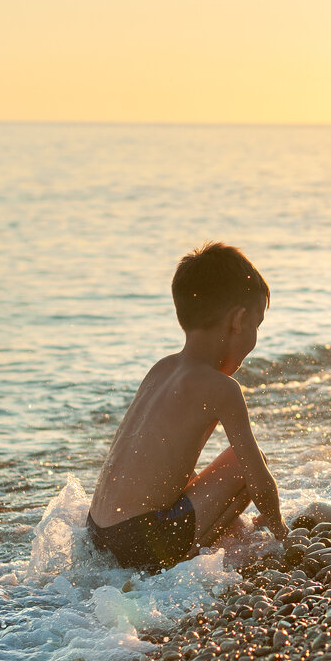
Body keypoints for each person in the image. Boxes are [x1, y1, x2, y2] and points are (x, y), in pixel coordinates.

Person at [87, 242, 288, 571]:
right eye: (257, 326)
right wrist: (280, 532)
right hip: (139, 545)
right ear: (238, 321)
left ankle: (226, 534)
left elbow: (161, 464)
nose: (255, 338)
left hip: (98, 535)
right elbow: (258, 479)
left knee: (204, 481)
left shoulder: (161, 369)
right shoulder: (222, 388)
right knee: (243, 464)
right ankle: (220, 546)